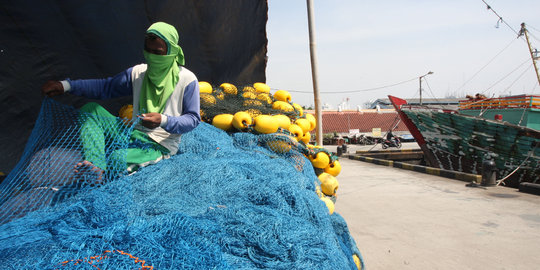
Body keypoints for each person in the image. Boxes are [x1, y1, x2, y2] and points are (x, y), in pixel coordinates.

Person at [41, 22, 200, 180]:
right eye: (148, 51)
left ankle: (107, 172)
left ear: (171, 51)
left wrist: (163, 120)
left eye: (158, 53)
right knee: (91, 110)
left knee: (117, 159)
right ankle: (95, 164)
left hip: (158, 146)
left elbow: (192, 119)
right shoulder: (138, 73)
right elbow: (105, 87)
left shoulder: (187, 80)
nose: (152, 57)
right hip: (131, 132)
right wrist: (66, 85)